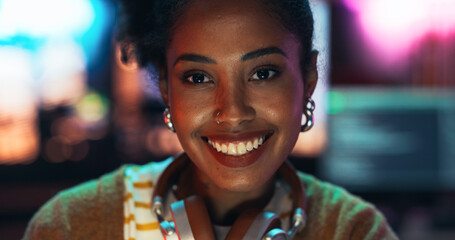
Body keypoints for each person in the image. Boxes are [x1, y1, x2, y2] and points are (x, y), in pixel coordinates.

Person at [24, 0, 398, 239]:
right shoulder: (72, 225)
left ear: (308, 80)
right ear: (167, 90)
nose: (232, 112)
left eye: (263, 73)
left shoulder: (353, 230)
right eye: (198, 78)